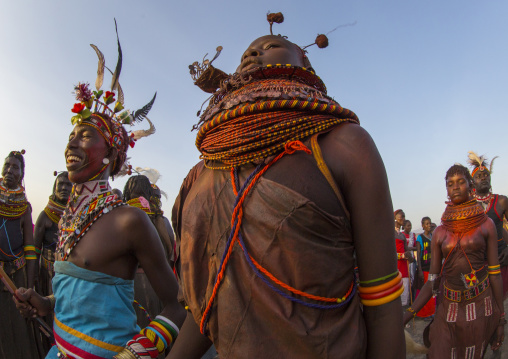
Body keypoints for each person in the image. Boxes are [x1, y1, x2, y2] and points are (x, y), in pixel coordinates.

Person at [171, 17, 405, 358]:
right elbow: (207, 305)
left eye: (270, 47)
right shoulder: (202, 172)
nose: (253, 54)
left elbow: (382, 304)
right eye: (246, 53)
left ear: (303, 61)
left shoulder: (344, 146)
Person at [14, 26, 187, 359]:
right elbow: (84, 297)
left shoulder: (129, 221)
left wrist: (134, 354)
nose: (72, 142)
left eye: (85, 135)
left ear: (112, 154)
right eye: (71, 135)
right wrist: (46, 304)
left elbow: (178, 306)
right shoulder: (68, 218)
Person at [404, 164, 505, 358]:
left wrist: (500, 319)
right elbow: (433, 281)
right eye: (450, 184)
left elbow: (495, 274)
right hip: (449, 306)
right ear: (447, 191)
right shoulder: (440, 232)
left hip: (480, 305)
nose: (455, 187)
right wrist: (407, 314)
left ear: (470, 186)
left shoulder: (486, 224)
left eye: (460, 182)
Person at [0, 150, 41, 359]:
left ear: (22, 174)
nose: (9, 170)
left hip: (16, 277)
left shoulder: (24, 208)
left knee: (16, 327)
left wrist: (31, 285)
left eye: (15, 167)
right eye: (6, 165)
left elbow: (30, 248)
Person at [123, 175, 176, 330]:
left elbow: (171, 251)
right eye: (133, 185)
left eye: (138, 185)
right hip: (142, 282)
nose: (135, 187)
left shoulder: (126, 217)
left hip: (147, 282)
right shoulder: (124, 216)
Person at [32, 171, 72, 355]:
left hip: (70, 278)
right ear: (54, 188)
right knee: (48, 320)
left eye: (68, 184)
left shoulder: (77, 215)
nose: (64, 188)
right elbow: (34, 250)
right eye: (60, 184)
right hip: (47, 276)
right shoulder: (45, 216)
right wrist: (32, 281)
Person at [468, 151, 508, 300]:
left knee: (499, 304)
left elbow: (502, 228)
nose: (483, 178)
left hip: (500, 261)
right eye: (479, 176)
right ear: (472, 183)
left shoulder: (502, 201)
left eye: (486, 176)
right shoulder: (467, 205)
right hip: (476, 264)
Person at [414, 216, 435, 319]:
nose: (429, 225)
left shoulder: (432, 236)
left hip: (432, 268)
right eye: (426, 224)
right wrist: (420, 270)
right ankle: (424, 313)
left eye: (429, 223)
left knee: (432, 291)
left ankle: (431, 312)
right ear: (422, 226)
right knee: (425, 291)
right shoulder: (420, 238)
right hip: (424, 268)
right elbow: (418, 254)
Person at [394, 209, 413, 309]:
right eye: (401, 216)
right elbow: (388, 251)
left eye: (404, 216)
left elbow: (406, 250)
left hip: (404, 267)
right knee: (396, 293)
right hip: (394, 266)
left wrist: (409, 255)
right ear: (395, 218)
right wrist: (401, 256)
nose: (403, 218)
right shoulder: (389, 233)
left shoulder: (402, 235)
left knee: (404, 292)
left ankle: (404, 320)